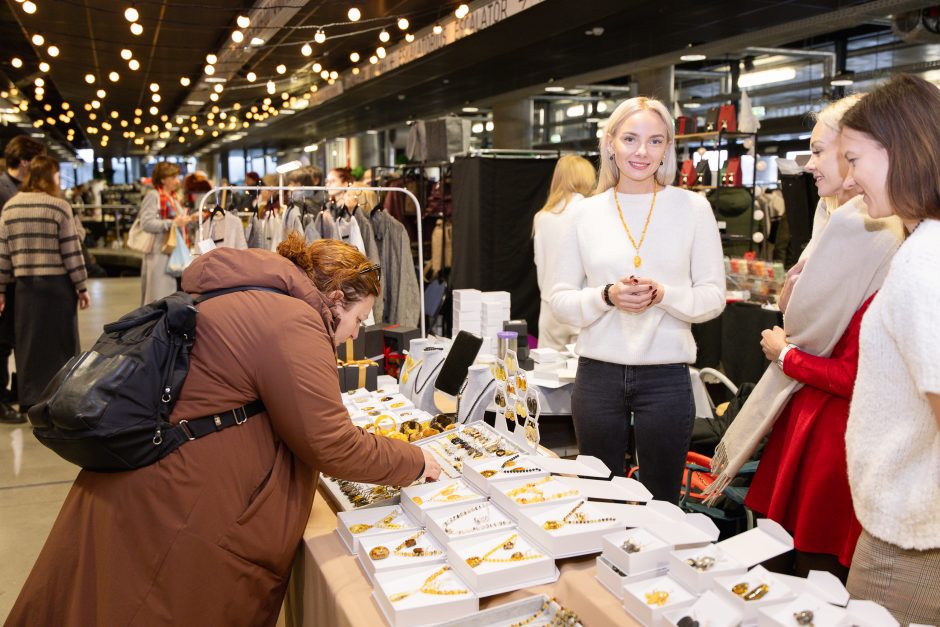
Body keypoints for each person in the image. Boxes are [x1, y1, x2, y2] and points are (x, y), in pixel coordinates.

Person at [6, 233, 441, 626]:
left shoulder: (242, 293)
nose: (352, 336)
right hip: (178, 513)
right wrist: (416, 459)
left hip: (145, 490)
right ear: (334, 297)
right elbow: (331, 442)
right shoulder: (292, 319)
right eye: (359, 320)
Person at [742, 95, 904, 581]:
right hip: (816, 420)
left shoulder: (878, 236)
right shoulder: (833, 223)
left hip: (837, 432)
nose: (810, 165)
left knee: (810, 574)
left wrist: (787, 354)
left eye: (826, 152)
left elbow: (858, 369)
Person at [550, 97, 725, 502]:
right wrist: (605, 296)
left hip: (665, 376)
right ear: (610, 143)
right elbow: (559, 299)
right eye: (630, 138)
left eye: (654, 141)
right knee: (598, 497)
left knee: (662, 500)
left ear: (667, 148)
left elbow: (713, 297)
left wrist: (664, 295)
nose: (641, 152)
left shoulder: (693, 208)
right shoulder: (584, 214)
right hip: (598, 375)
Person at [839, 74, 940, 624]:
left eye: (854, 159)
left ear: (899, 149)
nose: (850, 180)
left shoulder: (926, 259)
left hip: (914, 537)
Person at [0, 155, 90, 416]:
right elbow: (72, 252)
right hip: (58, 288)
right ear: (50, 176)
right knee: (63, 343)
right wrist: (82, 286)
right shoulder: (58, 206)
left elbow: (3, 254)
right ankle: (62, 398)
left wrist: (1, 289)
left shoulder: (11, 208)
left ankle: (30, 401)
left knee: (28, 345)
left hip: (25, 288)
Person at [0, 135, 46, 423]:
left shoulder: (20, 188)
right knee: (2, 342)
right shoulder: (4, 189)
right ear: (26, 161)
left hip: (22, 280)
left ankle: (16, 391)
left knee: (20, 338)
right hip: (5, 276)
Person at [532, 155, 596, 350]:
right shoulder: (591, 211)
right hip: (582, 304)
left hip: (550, 305)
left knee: (547, 373)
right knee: (583, 372)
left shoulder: (542, 216)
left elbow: (539, 263)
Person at [139, 161, 191, 305]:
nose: (177, 180)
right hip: (160, 252)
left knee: (171, 294)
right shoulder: (154, 195)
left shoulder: (173, 197)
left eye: (177, 176)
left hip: (173, 252)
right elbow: (146, 223)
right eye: (173, 177)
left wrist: (188, 219)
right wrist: (173, 223)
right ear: (163, 179)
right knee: (159, 297)